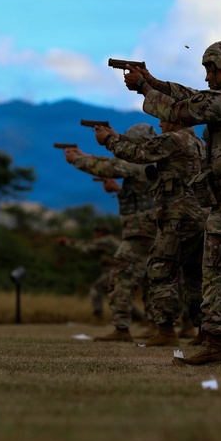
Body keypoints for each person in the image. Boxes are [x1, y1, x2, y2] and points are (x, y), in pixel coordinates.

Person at [124, 41, 221, 365]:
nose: (206, 77)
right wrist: (156, 82)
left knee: (218, 273)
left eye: (210, 69)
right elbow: (195, 95)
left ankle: (216, 346)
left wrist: (144, 88)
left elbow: (181, 111)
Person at [93, 119, 206, 347]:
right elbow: (148, 146)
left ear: (176, 120)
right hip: (198, 217)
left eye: (164, 119)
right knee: (195, 276)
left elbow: (140, 154)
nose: (161, 124)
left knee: (161, 270)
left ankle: (165, 329)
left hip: (175, 216)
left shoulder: (175, 139)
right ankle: (205, 331)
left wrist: (109, 141)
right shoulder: (197, 142)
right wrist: (118, 136)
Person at [63, 125, 158, 341]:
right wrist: (85, 155)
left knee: (121, 276)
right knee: (153, 279)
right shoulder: (155, 160)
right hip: (153, 228)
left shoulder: (139, 161)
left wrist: (76, 160)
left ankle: (122, 328)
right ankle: (159, 327)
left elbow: (108, 168)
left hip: (140, 230)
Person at [56, 225, 120, 321]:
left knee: (96, 289)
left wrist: (67, 242)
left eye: (96, 232)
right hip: (121, 270)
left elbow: (86, 247)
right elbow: (88, 244)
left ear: (101, 233)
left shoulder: (105, 240)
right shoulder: (112, 240)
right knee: (119, 295)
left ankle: (98, 317)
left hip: (114, 270)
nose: (94, 234)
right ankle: (139, 318)